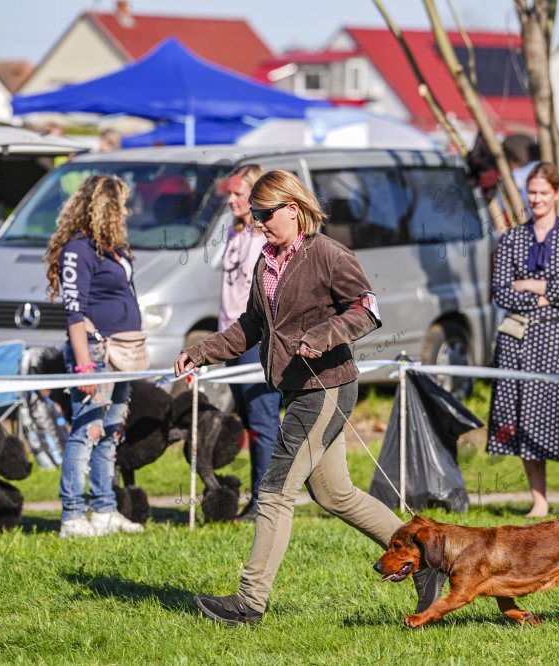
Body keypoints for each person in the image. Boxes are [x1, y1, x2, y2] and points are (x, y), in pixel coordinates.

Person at [174, 169, 443, 626]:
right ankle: (425, 562)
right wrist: (201, 352)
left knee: (274, 491)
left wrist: (324, 335)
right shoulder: (266, 261)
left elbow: (367, 309)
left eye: (265, 213)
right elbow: (252, 325)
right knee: (336, 494)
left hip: (326, 389)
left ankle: (249, 602)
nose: (257, 221)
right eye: (254, 213)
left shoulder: (328, 254)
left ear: (293, 209)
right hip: (297, 389)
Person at [486, 162, 559, 518]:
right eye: (531, 193)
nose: (536, 199)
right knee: (527, 416)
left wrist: (532, 286)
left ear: (556, 194)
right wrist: (545, 297)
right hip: (520, 341)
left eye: (543, 193)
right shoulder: (511, 238)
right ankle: (539, 501)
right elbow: (501, 291)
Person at [44, 175, 145, 538]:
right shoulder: (78, 249)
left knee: (110, 431)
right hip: (95, 352)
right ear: (105, 207)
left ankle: (104, 509)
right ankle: (72, 515)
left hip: (122, 352)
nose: (126, 212)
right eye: (121, 205)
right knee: (86, 431)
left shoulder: (113, 248)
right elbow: (73, 312)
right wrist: (84, 366)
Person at [218, 164, 280, 522]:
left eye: (238, 194)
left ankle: (265, 502)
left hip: (255, 342)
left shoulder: (265, 240)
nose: (230, 200)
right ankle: (258, 496)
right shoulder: (234, 232)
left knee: (263, 422)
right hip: (231, 341)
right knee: (250, 423)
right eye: (229, 193)